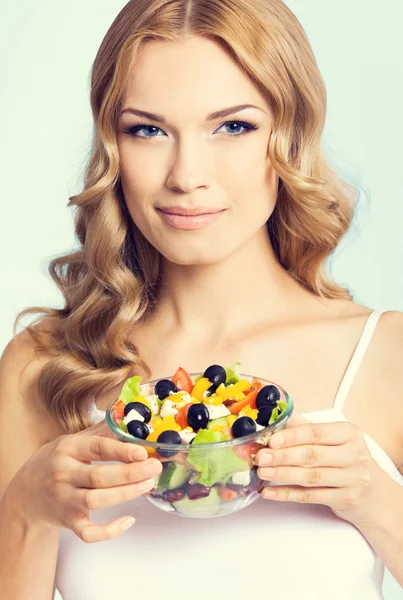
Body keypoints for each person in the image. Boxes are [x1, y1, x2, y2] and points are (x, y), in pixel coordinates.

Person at [0, 0, 402, 598]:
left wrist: (379, 500)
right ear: (113, 147)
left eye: (233, 126)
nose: (187, 174)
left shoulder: (385, 356)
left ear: (289, 137)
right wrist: (26, 508)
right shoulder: (44, 366)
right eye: (148, 130)